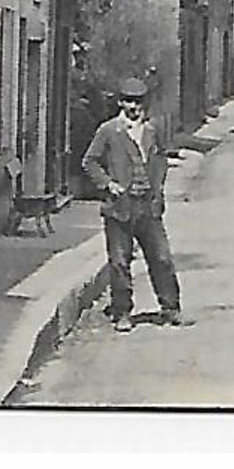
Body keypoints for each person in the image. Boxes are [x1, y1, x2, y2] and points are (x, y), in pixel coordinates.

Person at [81, 77, 183, 332]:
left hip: (148, 206)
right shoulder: (109, 130)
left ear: (144, 104)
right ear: (120, 102)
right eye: (128, 101)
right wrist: (108, 184)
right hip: (120, 206)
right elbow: (90, 161)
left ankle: (170, 308)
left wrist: (158, 190)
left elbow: (160, 160)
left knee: (161, 257)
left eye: (138, 102)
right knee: (119, 261)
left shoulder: (152, 130)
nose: (133, 107)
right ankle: (122, 312)